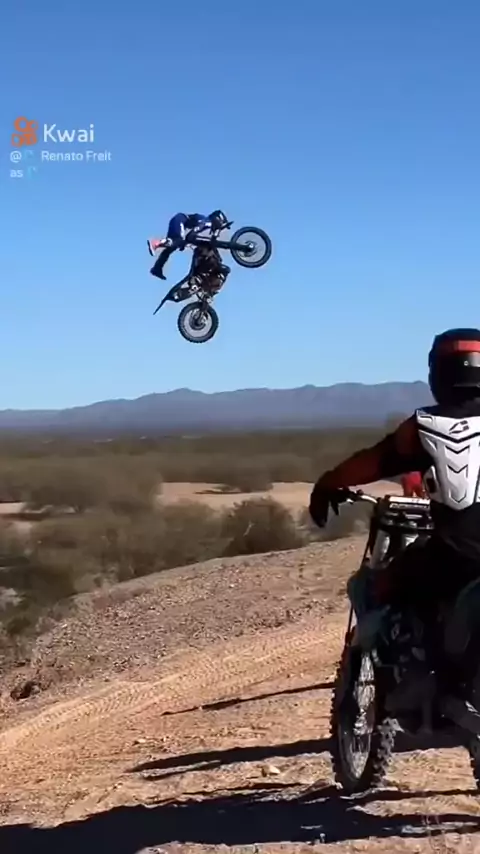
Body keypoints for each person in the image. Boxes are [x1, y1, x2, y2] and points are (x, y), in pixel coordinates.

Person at [309, 328, 480, 725]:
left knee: (390, 584)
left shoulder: (423, 426)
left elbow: (374, 461)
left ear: (438, 372)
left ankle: (426, 679)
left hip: (457, 552)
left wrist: (328, 483)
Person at [148, 210, 229, 281]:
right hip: (180, 219)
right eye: (221, 225)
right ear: (218, 220)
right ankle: (155, 243)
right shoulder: (207, 222)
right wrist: (188, 242)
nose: (219, 228)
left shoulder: (206, 222)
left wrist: (186, 242)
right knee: (177, 240)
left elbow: (191, 236)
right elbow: (191, 235)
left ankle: (157, 268)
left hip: (179, 220)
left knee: (171, 247)